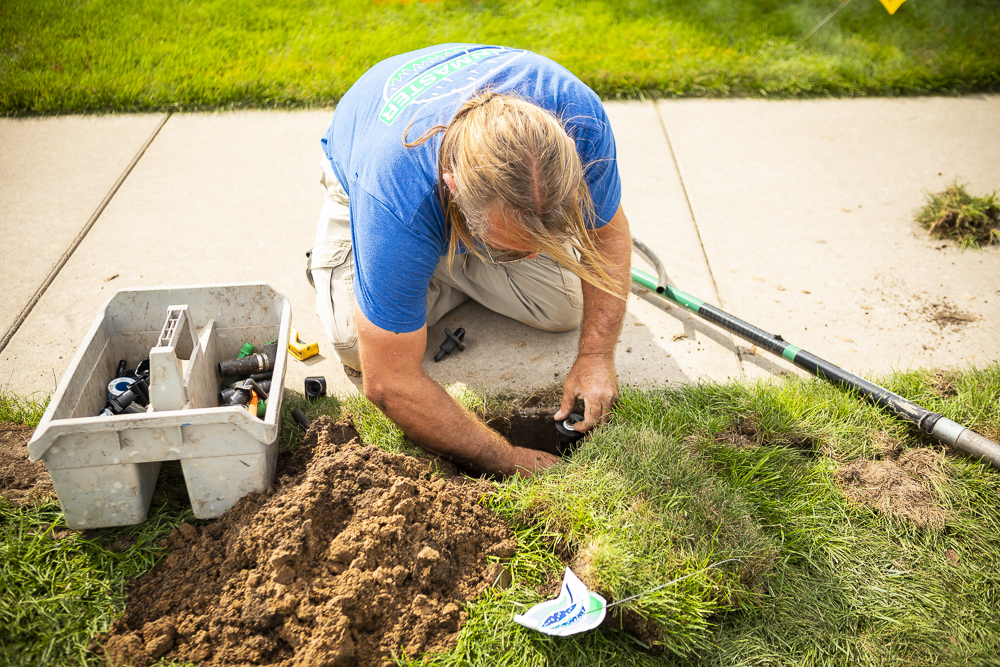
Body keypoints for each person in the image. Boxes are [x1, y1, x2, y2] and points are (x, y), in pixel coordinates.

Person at [308, 44, 632, 477]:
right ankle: (371, 260)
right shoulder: (395, 193)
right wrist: (505, 457)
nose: (532, 258)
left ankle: (413, 276)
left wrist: (596, 356)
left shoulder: (579, 117)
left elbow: (607, 237)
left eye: (537, 242)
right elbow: (388, 383)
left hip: (458, 208)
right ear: (453, 187)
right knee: (356, 346)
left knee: (564, 308)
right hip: (363, 173)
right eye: (511, 249)